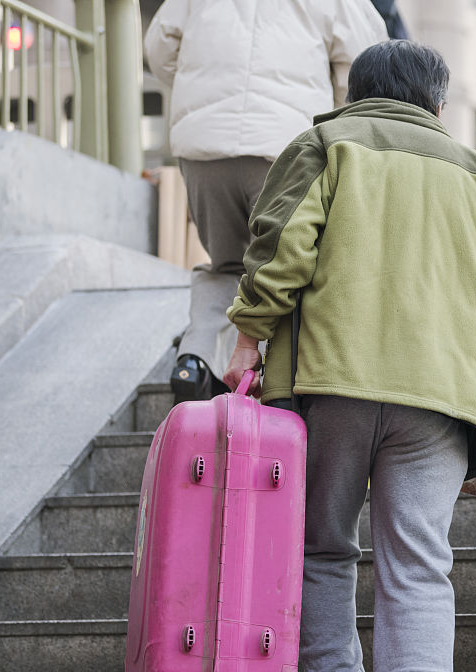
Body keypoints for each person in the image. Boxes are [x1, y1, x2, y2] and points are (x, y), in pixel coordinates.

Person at [222, 41, 476, 672]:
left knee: (321, 546)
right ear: (437, 105)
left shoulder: (324, 144)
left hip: (331, 382)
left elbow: (282, 247)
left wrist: (247, 335)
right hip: (442, 398)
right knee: (417, 561)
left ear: (355, 93)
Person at [144, 0, 386, 403]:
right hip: (287, 152)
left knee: (227, 268)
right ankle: (279, 394)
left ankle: (195, 357)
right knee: (293, 270)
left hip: (203, 149)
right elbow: (364, 60)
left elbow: (159, 48)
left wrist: (200, 89)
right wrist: (336, 115)